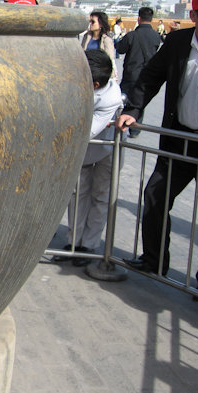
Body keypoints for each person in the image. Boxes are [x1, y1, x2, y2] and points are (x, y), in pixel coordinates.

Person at [115, 0, 198, 298]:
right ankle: (154, 260)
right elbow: (151, 76)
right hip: (180, 138)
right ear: (194, 15)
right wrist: (133, 109)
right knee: (155, 196)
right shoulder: (177, 41)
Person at [53, 50, 121, 265]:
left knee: (100, 197)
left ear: (95, 85)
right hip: (80, 152)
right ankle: (73, 243)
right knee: (77, 196)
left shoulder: (111, 97)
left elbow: (86, 131)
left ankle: (88, 246)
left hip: (105, 150)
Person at [115, 7, 161, 137]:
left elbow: (120, 49)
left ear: (139, 18)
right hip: (147, 74)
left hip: (131, 73)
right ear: (151, 19)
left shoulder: (132, 35)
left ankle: (120, 125)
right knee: (139, 102)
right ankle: (135, 130)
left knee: (122, 101)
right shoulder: (156, 36)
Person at [81, 11, 117, 82]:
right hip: (86, 72)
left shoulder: (106, 40)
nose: (90, 24)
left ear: (100, 24)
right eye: (90, 21)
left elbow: (109, 59)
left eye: (93, 22)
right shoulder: (86, 37)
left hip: (99, 75)